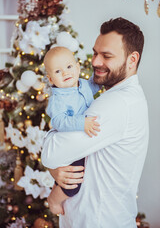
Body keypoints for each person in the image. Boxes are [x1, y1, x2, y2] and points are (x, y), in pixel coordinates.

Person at [42, 17, 149, 228]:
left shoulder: (117, 103)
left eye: (106, 56)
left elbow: (51, 154)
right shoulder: (116, 95)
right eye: (96, 53)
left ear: (132, 59)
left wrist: (53, 161)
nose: (95, 62)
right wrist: (56, 169)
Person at [42, 46, 101, 215]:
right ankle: (54, 199)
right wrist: (81, 122)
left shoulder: (85, 85)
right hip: (68, 147)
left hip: (82, 143)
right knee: (73, 181)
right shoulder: (57, 100)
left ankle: (56, 189)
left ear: (77, 68)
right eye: (58, 71)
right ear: (51, 78)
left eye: (69, 67)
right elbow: (59, 121)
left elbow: (96, 84)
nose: (66, 73)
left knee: (71, 175)